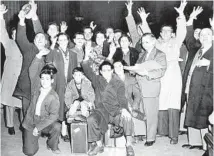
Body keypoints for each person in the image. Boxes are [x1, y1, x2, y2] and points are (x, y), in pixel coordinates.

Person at [139, 0, 187, 144]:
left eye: (169, 31)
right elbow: (148, 35)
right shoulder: (157, 44)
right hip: (161, 75)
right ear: (160, 34)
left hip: (173, 74)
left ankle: (174, 136)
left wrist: (181, 14)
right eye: (163, 31)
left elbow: (182, 31)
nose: (166, 33)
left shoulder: (176, 42)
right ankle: (162, 131)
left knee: (174, 103)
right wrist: (143, 20)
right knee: (162, 102)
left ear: (172, 34)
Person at [81, 52, 135, 156]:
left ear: (112, 70)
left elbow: (122, 98)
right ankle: (99, 145)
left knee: (127, 117)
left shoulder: (119, 83)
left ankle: (129, 145)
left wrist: (124, 109)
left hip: (115, 111)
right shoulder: (96, 79)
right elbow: (87, 69)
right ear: (100, 71)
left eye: (108, 70)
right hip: (101, 111)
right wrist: (86, 55)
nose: (106, 72)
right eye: (104, 70)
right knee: (91, 119)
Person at [124, 33, 167, 146]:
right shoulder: (142, 54)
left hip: (150, 86)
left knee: (151, 113)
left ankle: (151, 138)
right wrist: (132, 70)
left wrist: (146, 73)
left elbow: (161, 71)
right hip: (139, 86)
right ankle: (142, 133)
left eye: (147, 42)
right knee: (141, 112)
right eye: (142, 42)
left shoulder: (160, 54)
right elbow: (137, 67)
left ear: (153, 42)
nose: (144, 44)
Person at [13, 1, 49, 118]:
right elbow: (21, 38)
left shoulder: (47, 51)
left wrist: (34, 15)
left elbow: (39, 30)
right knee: (27, 113)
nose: (39, 39)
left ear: (46, 42)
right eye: (37, 38)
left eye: (42, 38)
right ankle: (27, 134)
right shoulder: (28, 49)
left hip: (43, 85)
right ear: (33, 41)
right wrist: (22, 20)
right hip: (27, 86)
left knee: (41, 111)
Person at [183, 27, 213, 151]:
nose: (204, 36)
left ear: (213, 36)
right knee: (192, 112)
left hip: (207, 88)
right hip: (192, 86)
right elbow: (188, 38)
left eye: (208, 34)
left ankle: (207, 147)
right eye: (201, 34)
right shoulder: (197, 49)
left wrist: (210, 64)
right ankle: (196, 142)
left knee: (204, 115)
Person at [22, 64, 61, 155]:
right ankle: (34, 140)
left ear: (52, 80)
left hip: (44, 122)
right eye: (42, 78)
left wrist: (38, 127)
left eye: (47, 79)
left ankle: (52, 144)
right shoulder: (36, 89)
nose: (44, 81)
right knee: (29, 152)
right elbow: (32, 70)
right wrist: (38, 56)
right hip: (31, 121)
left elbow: (53, 116)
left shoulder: (54, 97)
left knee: (57, 126)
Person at [0, 4, 23, 135]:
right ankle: (10, 125)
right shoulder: (9, 43)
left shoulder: (25, 45)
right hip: (10, 78)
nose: (16, 35)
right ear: (12, 35)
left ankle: (22, 124)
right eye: (15, 34)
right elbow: (1, 32)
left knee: (22, 103)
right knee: (9, 103)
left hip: (21, 79)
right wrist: (1, 16)